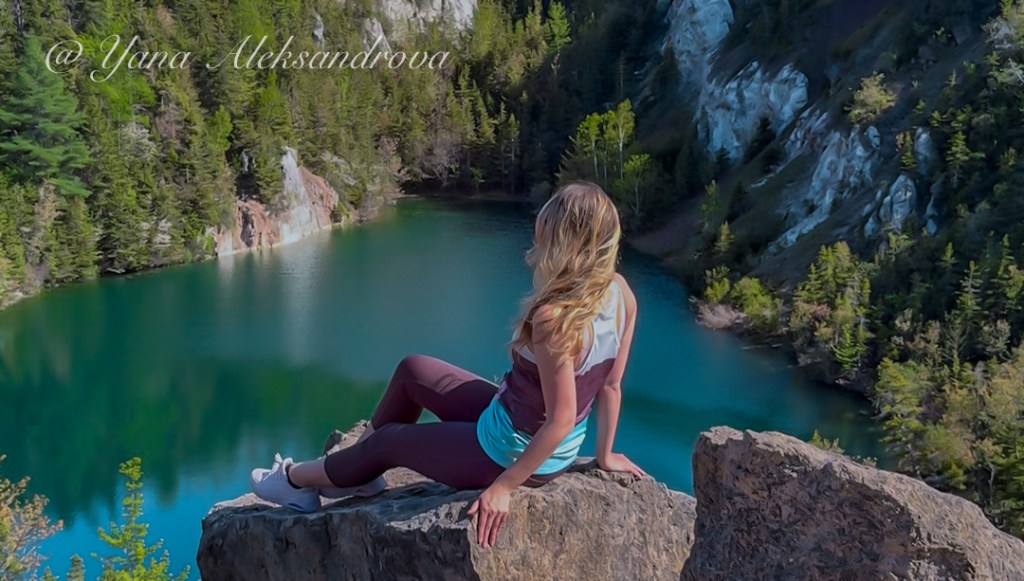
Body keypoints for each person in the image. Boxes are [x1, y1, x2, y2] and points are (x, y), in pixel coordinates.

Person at [250, 181, 645, 548]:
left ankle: (295, 481)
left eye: (545, 235)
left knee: (389, 442)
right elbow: (611, 386)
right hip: (509, 420)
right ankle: (360, 473)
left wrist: (505, 486)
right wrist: (605, 455)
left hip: (509, 453)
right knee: (413, 369)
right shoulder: (621, 294)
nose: (537, 243)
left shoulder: (555, 319)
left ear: (565, 245)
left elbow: (560, 419)